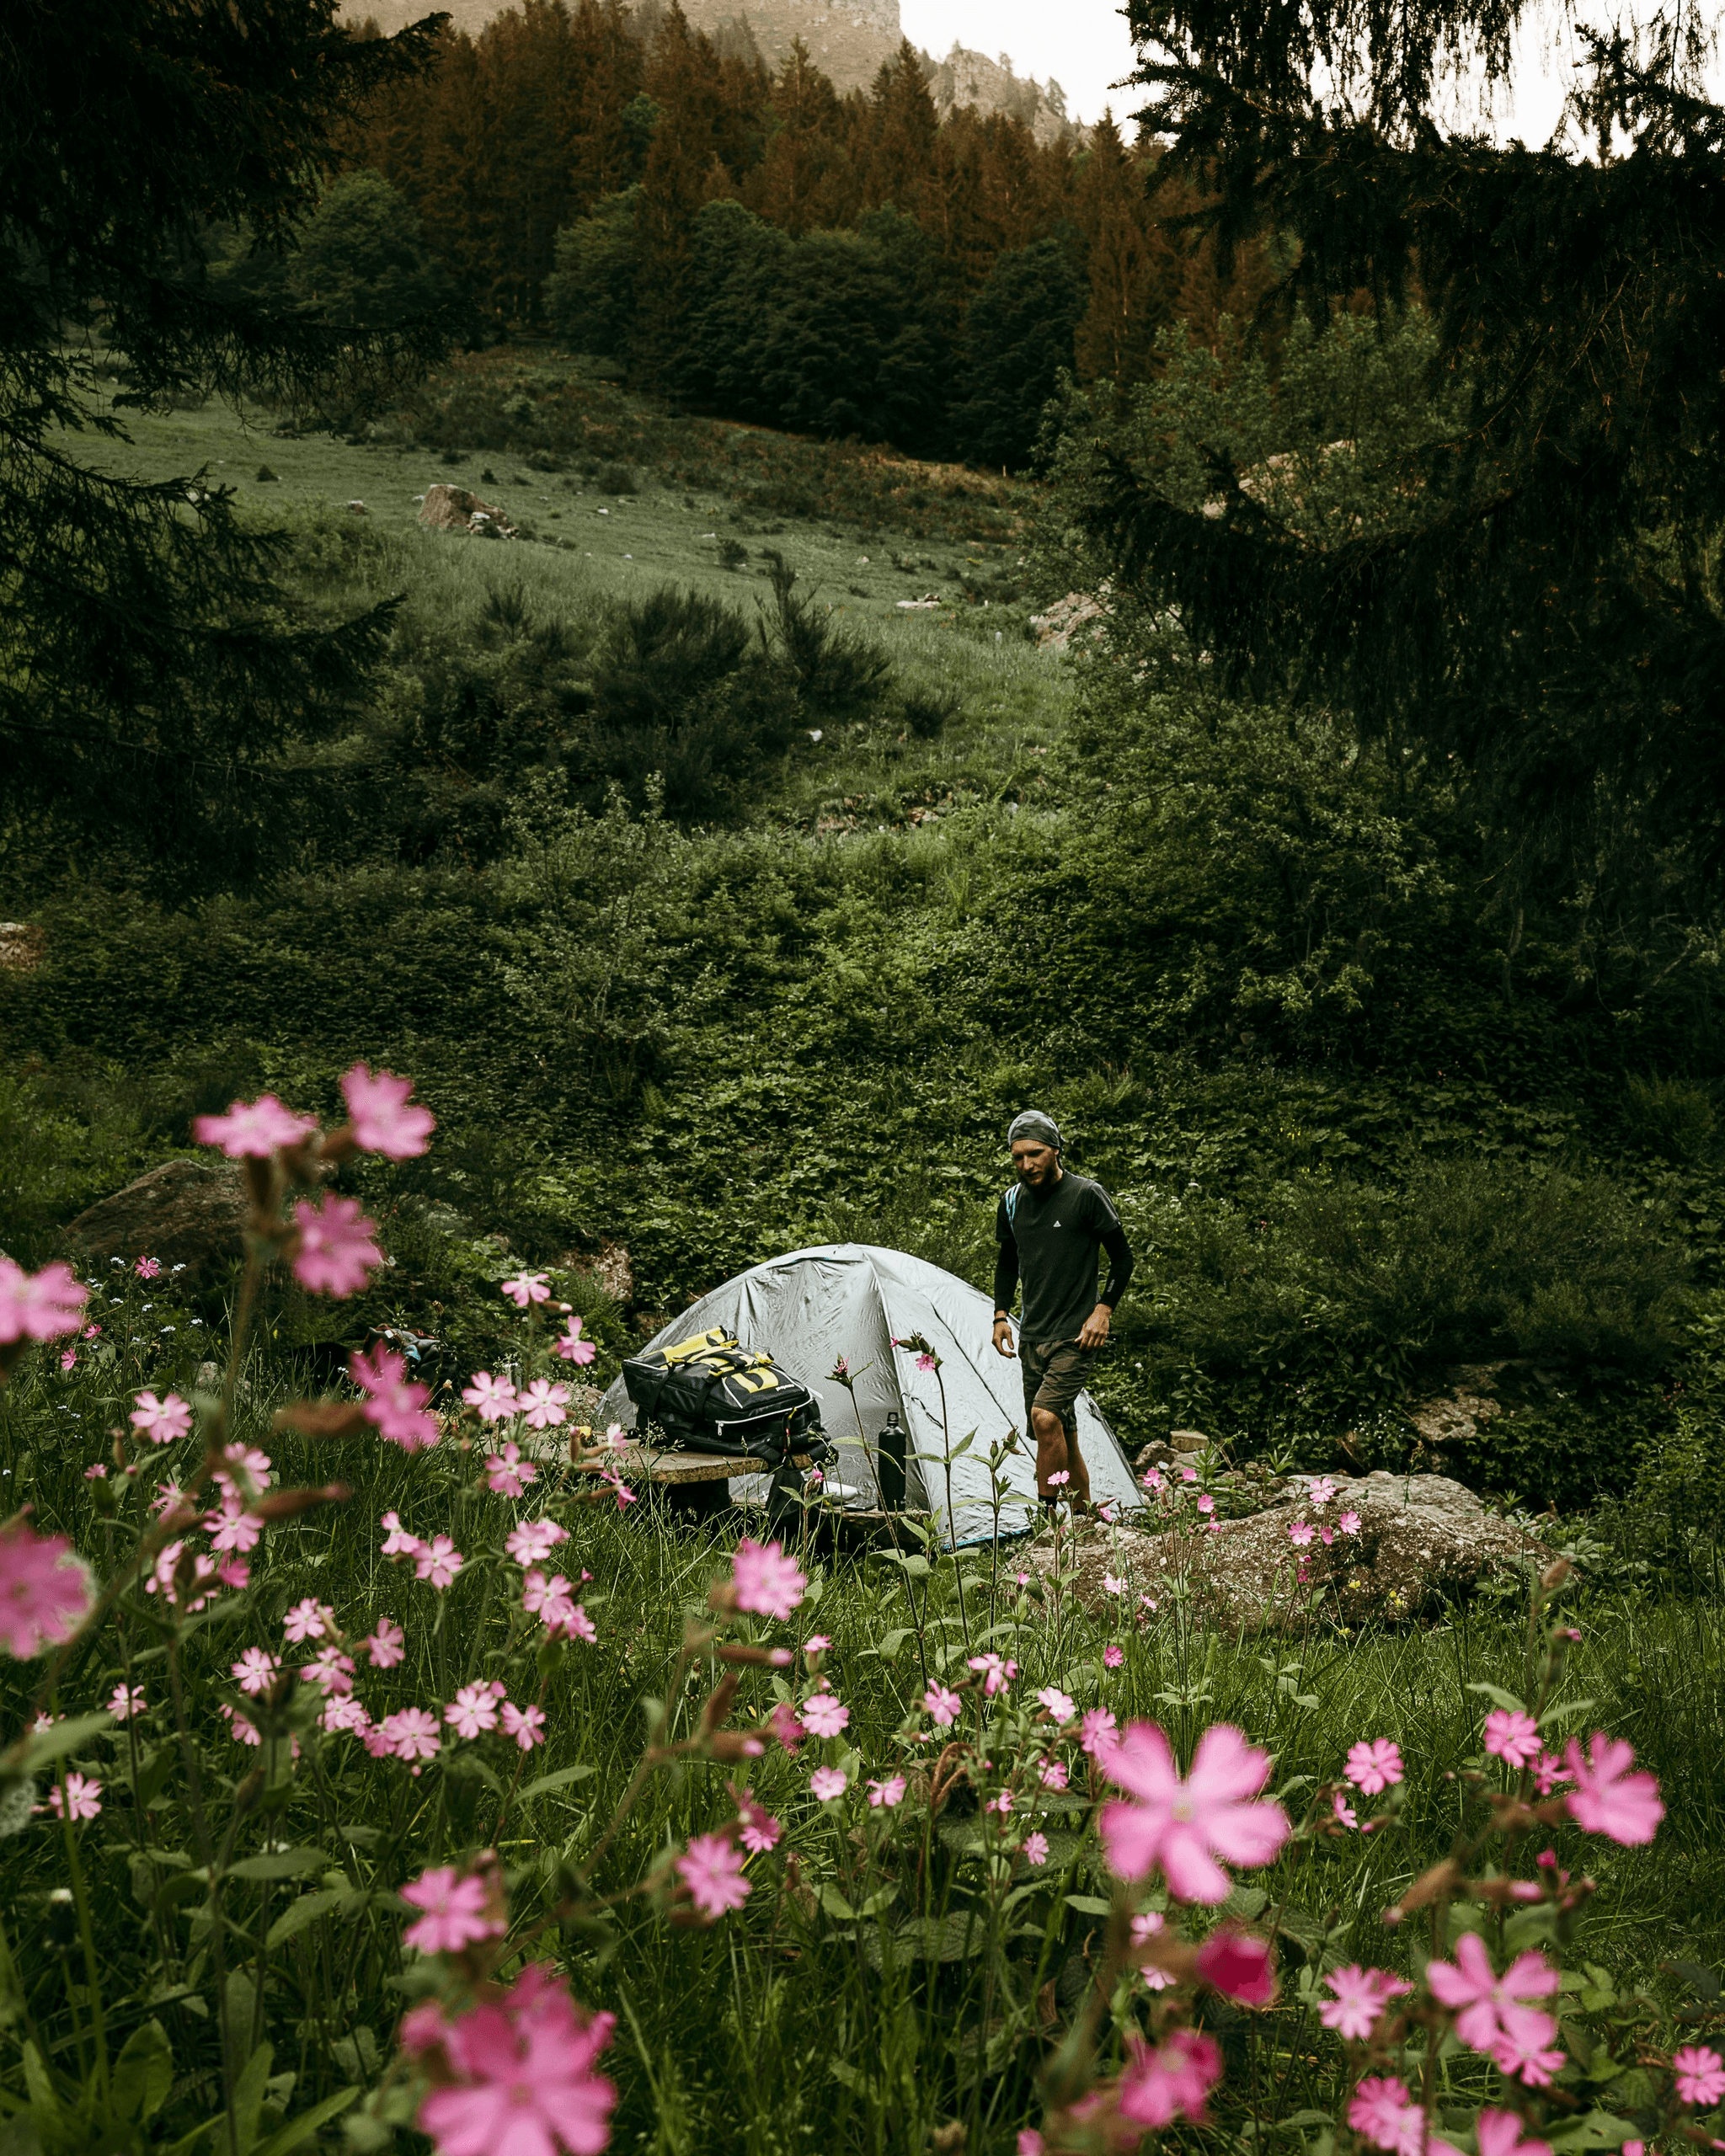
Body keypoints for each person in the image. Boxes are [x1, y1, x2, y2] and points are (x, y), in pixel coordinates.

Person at [991, 1109, 1134, 1513]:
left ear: (1055, 1150)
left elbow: (1123, 1259)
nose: (1026, 1164)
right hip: (1032, 1335)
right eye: (1017, 1157)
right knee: (1062, 1437)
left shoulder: (1086, 1195)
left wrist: (1103, 1310)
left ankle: (1046, 1522)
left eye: (1034, 1153)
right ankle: (1085, 1523)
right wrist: (1001, 1315)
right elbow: (1006, 1262)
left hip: (1076, 1335)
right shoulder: (1012, 1202)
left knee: (1045, 1419)